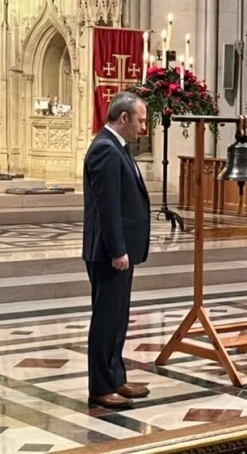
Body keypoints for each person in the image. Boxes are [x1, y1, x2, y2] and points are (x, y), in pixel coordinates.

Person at [82, 91, 151, 408]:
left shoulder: (116, 147)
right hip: (109, 252)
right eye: (140, 120)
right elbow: (106, 208)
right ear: (124, 118)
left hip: (119, 251)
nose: (143, 127)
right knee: (106, 319)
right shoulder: (105, 151)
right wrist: (118, 250)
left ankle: (115, 377)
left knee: (118, 317)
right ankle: (100, 387)